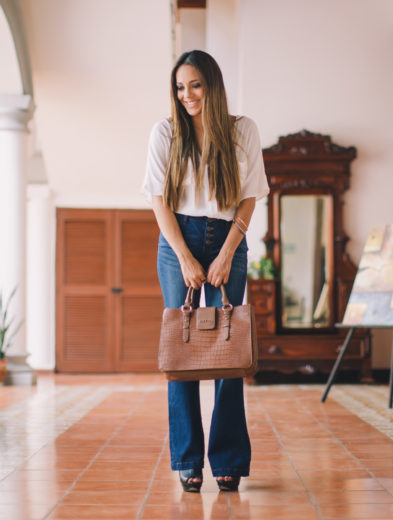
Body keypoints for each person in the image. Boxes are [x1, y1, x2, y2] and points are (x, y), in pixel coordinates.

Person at [142, 50, 269, 493]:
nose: (187, 95)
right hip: (178, 239)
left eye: (195, 85)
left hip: (228, 238)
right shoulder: (166, 132)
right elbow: (158, 200)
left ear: (211, 85)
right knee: (183, 352)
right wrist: (185, 256)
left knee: (228, 351)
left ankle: (228, 459)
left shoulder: (241, 130)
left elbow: (250, 195)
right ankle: (188, 459)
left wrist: (226, 252)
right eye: (180, 87)